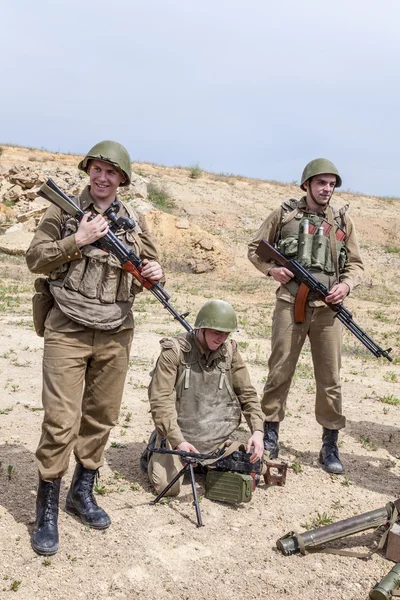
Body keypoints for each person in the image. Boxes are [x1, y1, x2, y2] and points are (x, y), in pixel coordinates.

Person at [25, 140, 163, 555]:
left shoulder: (133, 221)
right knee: (60, 421)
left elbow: (151, 268)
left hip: (116, 331)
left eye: (111, 172)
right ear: (89, 171)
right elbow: (35, 258)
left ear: (122, 178)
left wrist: (154, 270)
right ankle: (47, 507)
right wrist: (78, 239)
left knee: (101, 417)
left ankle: (81, 492)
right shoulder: (63, 211)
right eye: (96, 170)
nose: (102, 178)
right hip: (67, 325)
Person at [248, 158, 364, 475]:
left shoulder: (342, 220)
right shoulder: (285, 214)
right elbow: (255, 247)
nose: (327, 189)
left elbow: (355, 264)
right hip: (290, 303)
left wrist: (346, 285)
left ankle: (329, 444)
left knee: (330, 380)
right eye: (321, 183)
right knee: (279, 370)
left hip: (328, 311)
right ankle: (269, 433)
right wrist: (272, 270)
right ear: (307, 185)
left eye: (331, 184)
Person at [143, 299, 264, 497]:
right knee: (168, 487)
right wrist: (178, 441)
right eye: (217, 332)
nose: (221, 338)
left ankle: (205, 461)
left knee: (255, 469)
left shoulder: (230, 351)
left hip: (215, 436)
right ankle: (156, 446)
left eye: (226, 333)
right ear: (202, 328)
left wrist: (257, 431)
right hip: (179, 436)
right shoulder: (174, 352)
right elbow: (160, 401)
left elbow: (247, 393)